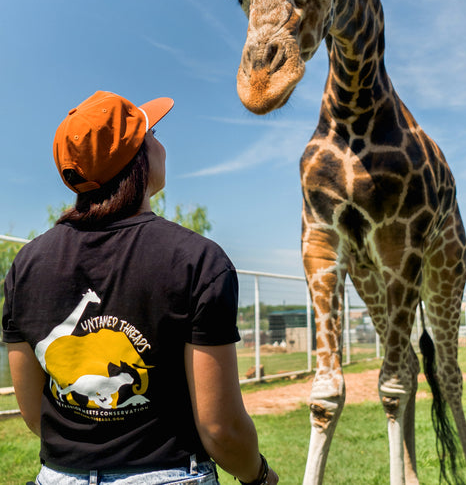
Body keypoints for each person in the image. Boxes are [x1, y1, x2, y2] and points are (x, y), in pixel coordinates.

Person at [2, 90, 279, 485]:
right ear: (138, 157)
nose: (162, 146)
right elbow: (221, 429)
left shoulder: (27, 265)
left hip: (58, 476)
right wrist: (259, 475)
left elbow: (33, 412)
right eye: (155, 134)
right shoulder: (197, 260)